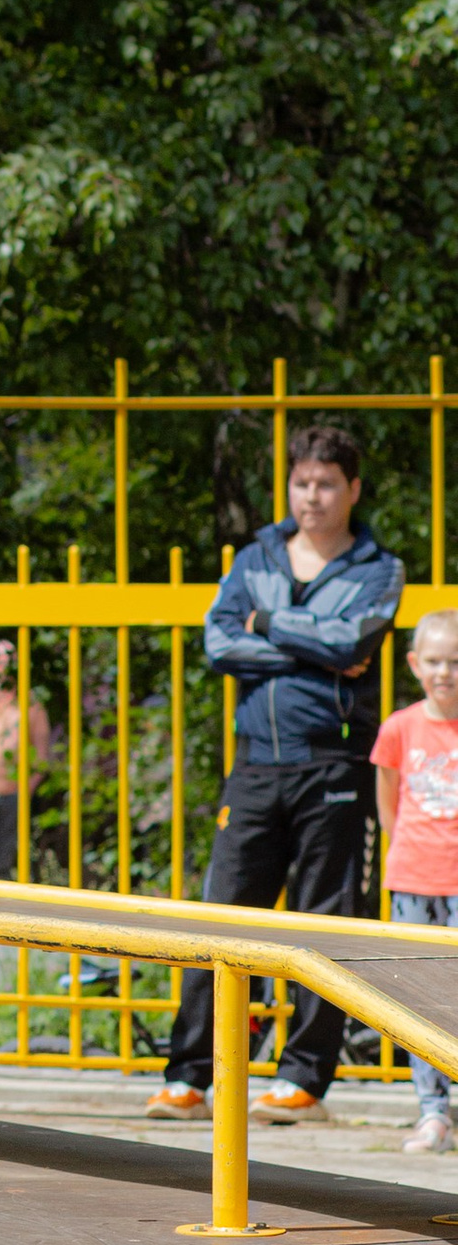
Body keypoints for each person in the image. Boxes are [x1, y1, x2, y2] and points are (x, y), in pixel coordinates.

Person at [143, 420, 403, 1125]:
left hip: (335, 766)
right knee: (220, 918)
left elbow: (355, 641)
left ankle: (303, 1082)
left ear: (352, 488)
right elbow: (218, 644)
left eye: (325, 484)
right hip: (256, 763)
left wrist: (267, 623)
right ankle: (190, 1077)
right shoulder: (256, 554)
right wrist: (305, 646)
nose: (311, 497)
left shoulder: (380, 568)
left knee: (325, 927)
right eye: (301, 483)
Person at [373, 610, 458, 1152]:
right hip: (414, 876)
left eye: (456, 661)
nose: (445, 671)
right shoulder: (399, 728)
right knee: (418, 1001)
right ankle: (433, 1110)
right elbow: (388, 806)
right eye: (434, 661)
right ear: (414, 664)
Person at [0, 637, 53, 879]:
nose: (4, 666)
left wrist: (27, 788)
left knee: (5, 862)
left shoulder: (31, 702)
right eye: (0, 660)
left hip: (13, 792)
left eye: (10, 660)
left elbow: (42, 752)